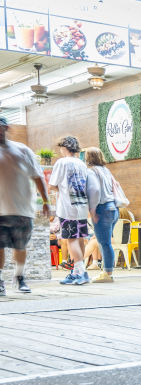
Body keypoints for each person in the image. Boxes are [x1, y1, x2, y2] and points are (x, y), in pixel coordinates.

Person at [0, 116, 50, 296]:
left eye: (1, 127)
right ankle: (0, 281)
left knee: (20, 246)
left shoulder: (22, 150)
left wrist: (46, 201)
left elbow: (38, 176)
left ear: (6, 128)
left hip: (22, 209)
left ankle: (19, 277)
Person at [49, 136, 92, 285]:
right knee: (79, 238)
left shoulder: (62, 162)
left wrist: (59, 190)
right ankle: (75, 272)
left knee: (71, 239)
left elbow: (52, 185)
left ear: (64, 148)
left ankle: (82, 273)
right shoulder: (82, 164)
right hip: (81, 205)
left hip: (68, 207)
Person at [84, 147, 119, 283]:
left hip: (102, 209)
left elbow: (95, 190)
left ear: (88, 158)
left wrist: (92, 210)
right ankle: (107, 271)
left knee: (104, 243)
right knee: (105, 242)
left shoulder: (91, 172)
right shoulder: (106, 170)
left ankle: (107, 273)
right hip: (113, 208)